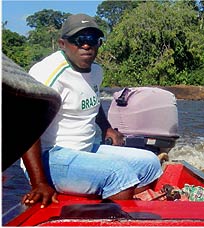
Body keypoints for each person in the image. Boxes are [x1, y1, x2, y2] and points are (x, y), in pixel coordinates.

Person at [21, 14, 163, 208]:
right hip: (50, 157)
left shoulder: (96, 71)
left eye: (92, 40)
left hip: (85, 149)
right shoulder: (48, 73)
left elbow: (91, 100)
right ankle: (112, 209)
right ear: (63, 43)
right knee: (119, 175)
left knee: (150, 163)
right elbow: (26, 126)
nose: (86, 46)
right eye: (79, 40)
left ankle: (111, 197)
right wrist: (39, 183)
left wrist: (106, 128)